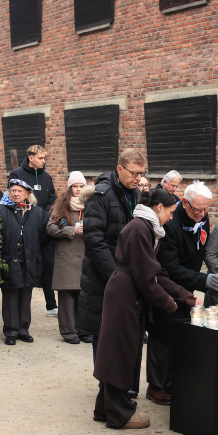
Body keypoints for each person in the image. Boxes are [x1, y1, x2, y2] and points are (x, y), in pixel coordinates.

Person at [93, 188, 196, 429]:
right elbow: (144, 275)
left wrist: (182, 294)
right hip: (124, 295)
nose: (171, 217)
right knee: (120, 352)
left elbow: (155, 272)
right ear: (159, 207)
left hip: (128, 293)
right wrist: (166, 301)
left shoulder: (147, 228)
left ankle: (105, 409)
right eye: (170, 212)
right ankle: (120, 413)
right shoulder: (140, 228)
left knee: (119, 350)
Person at [146, 180, 218, 405]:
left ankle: (172, 382)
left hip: (187, 283)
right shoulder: (170, 222)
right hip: (167, 284)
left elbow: (203, 246)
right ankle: (156, 386)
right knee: (162, 335)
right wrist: (203, 279)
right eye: (197, 210)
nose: (202, 215)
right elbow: (169, 265)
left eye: (206, 210)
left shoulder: (202, 216)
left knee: (180, 334)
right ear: (185, 203)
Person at [77, 149, 144, 358]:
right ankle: (103, 378)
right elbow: (94, 240)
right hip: (104, 274)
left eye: (141, 173)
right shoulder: (101, 195)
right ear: (119, 169)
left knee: (122, 331)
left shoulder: (135, 193)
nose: (138, 178)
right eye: (134, 173)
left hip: (126, 273)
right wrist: (115, 275)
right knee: (103, 331)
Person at [9, 145, 58, 317]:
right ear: (31, 157)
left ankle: (51, 305)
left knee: (48, 265)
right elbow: (14, 197)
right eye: (41, 158)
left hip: (43, 225)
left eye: (44, 158)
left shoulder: (47, 177)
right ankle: (21, 306)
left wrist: (42, 216)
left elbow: (52, 200)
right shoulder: (17, 174)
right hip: (24, 226)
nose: (44, 161)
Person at [0, 179, 48, 344]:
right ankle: (11, 332)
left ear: (27, 194)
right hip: (9, 259)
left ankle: (23, 330)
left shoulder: (38, 213)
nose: (16, 194)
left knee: (26, 296)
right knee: (10, 296)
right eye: (13, 190)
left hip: (30, 260)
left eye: (20, 191)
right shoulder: (1, 210)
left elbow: (44, 237)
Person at [46, 171, 87, 344]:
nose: (78, 189)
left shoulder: (91, 205)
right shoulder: (61, 206)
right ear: (70, 188)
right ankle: (69, 332)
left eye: (81, 186)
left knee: (83, 298)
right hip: (66, 258)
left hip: (85, 257)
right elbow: (50, 228)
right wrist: (71, 230)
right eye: (75, 186)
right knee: (66, 299)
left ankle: (83, 330)